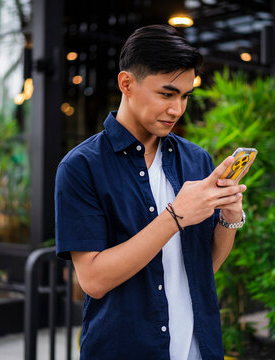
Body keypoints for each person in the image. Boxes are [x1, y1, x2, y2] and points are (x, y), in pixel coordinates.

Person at [55, 24, 247, 360]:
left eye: (185, 96)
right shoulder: (81, 167)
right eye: (167, 94)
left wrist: (229, 218)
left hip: (198, 349)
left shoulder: (196, 159)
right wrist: (175, 217)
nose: (177, 109)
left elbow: (205, 267)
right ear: (126, 84)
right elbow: (94, 280)